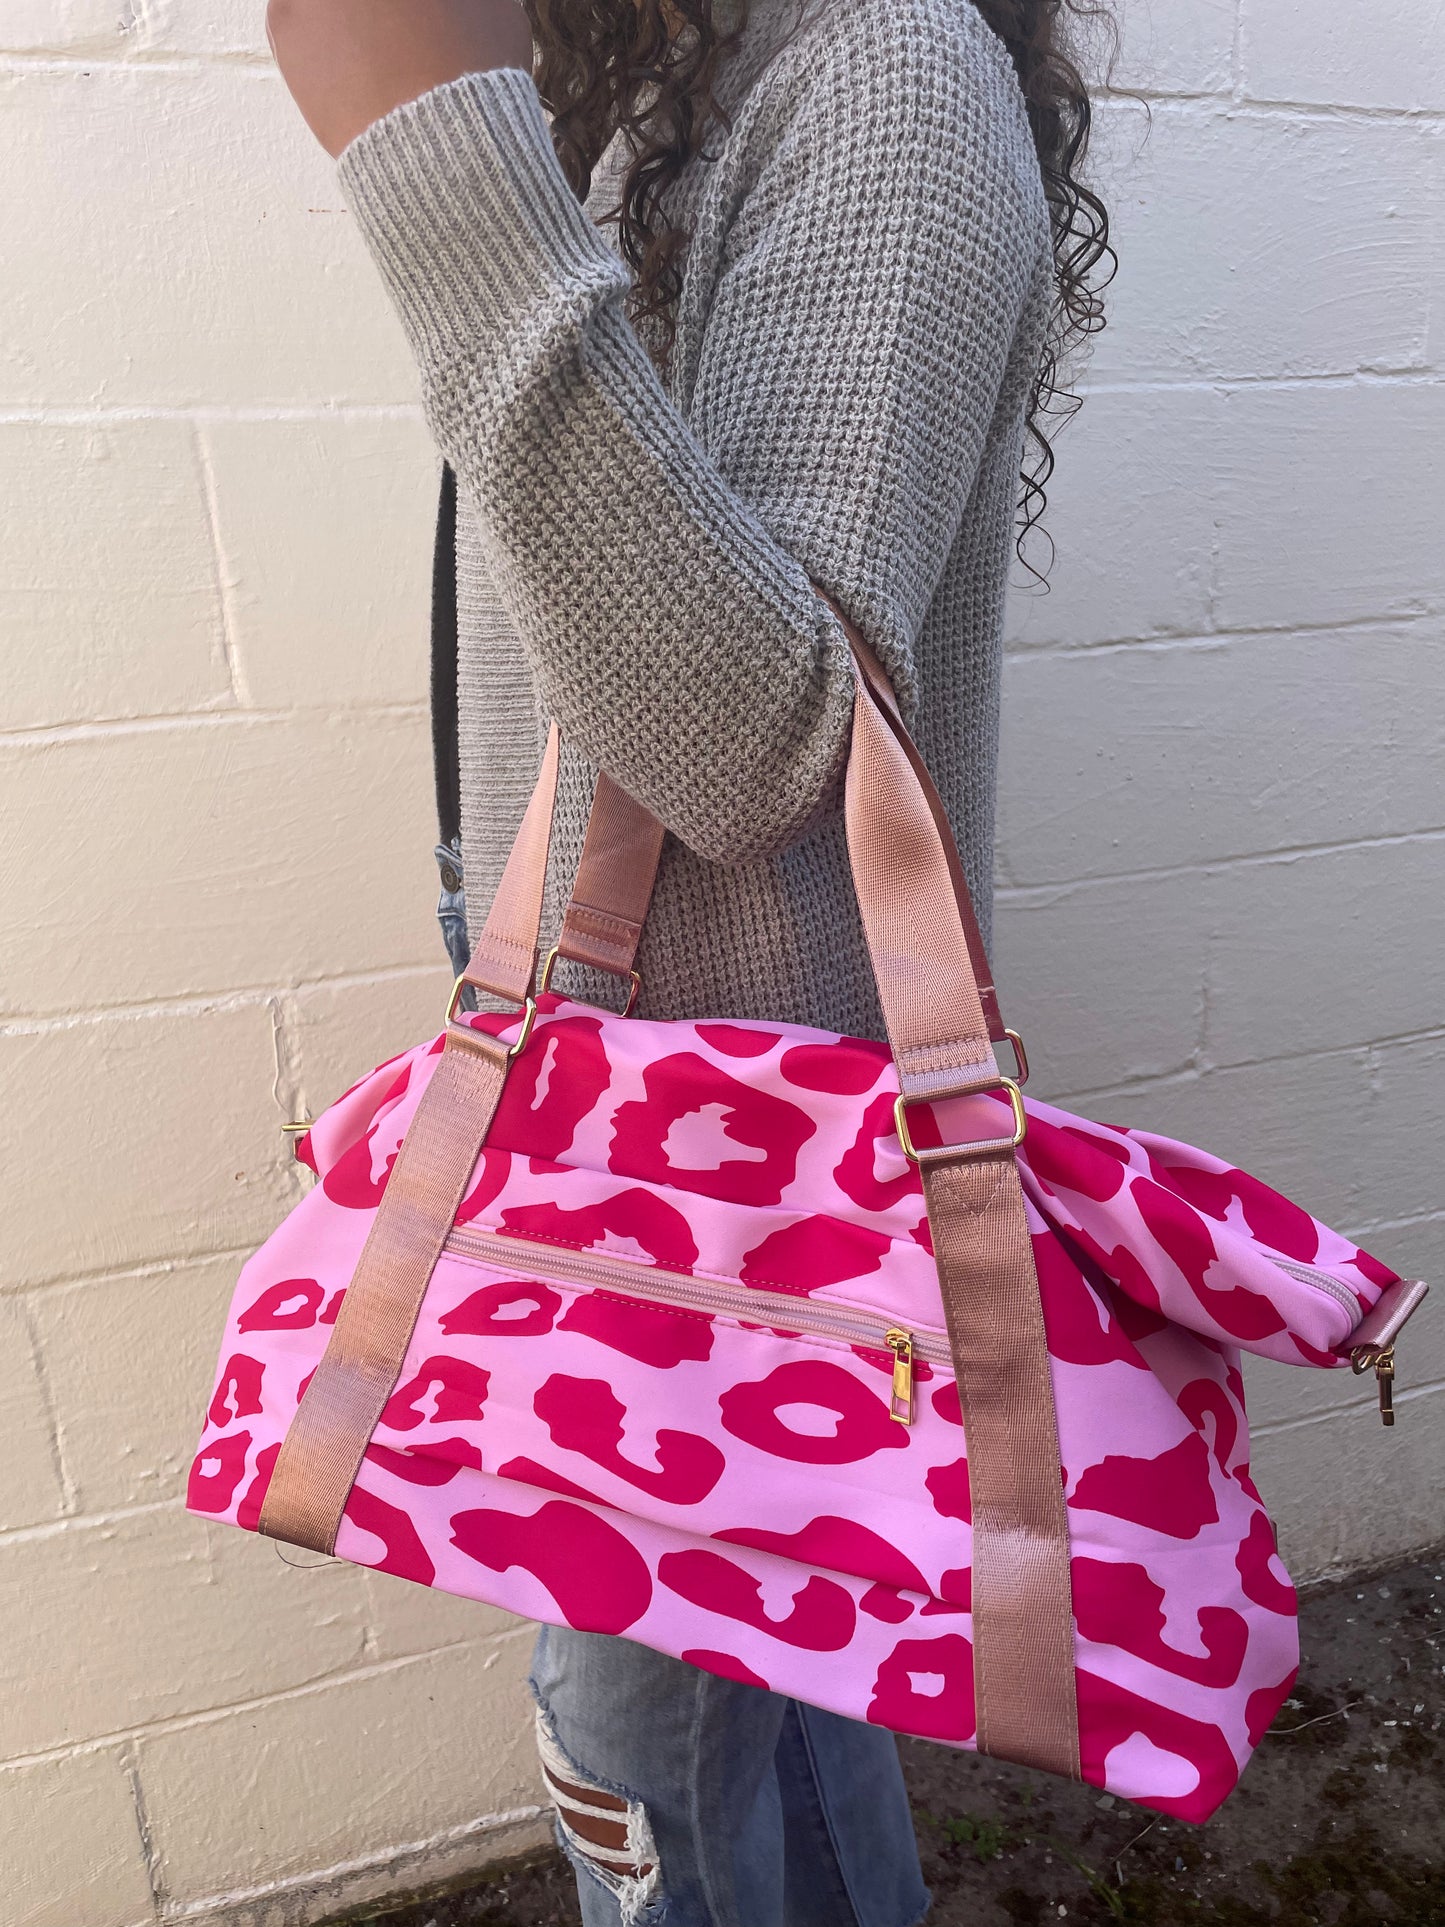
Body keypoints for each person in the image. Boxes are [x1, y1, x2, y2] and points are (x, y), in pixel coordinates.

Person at [267, 0, 1111, 1920]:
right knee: (761, 1742)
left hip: (732, 1226)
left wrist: (436, 160)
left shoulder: (878, 67)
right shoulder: (673, 86)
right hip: (621, 1143)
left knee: (647, 1771)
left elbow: (753, 754)